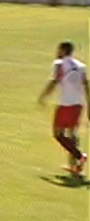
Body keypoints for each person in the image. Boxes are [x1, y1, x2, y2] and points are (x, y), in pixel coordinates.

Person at [38, 41, 89, 177]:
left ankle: (80, 156)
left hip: (66, 104)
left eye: (59, 49)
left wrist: (43, 96)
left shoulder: (59, 64)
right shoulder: (81, 66)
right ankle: (75, 167)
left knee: (58, 134)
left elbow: (54, 81)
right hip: (78, 104)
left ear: (63, 50)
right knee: (72, 135)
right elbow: (86, 86)